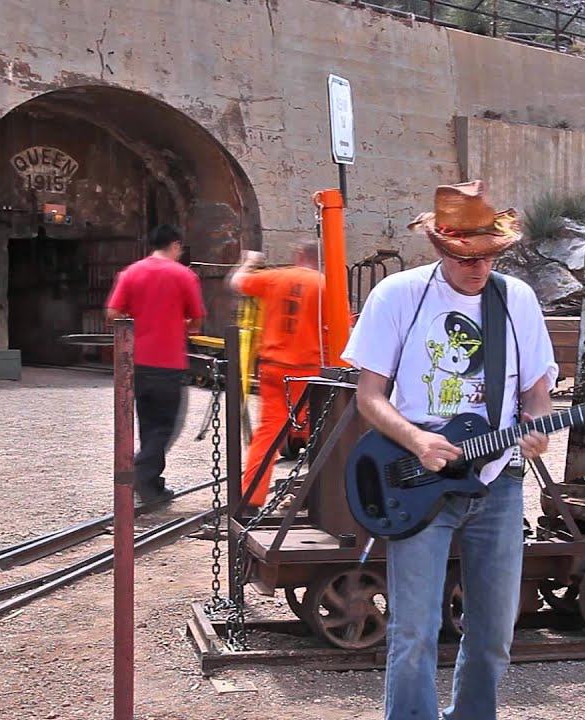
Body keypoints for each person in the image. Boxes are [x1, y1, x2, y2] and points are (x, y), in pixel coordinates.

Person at [341, 181, 557, 719]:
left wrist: (535, 424)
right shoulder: (398, 296)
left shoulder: (516, 300)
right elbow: (369, 396)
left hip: (498, 482)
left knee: (493, 630)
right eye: (466, 258)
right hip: (417, 476)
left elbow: (536, 389)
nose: (478, 269)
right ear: (440, 249)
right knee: (413, 630)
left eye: (488, 257)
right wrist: (415, 439)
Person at [106, 224, 206, 506]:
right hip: (168, 362)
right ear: (175, 245)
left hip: (135, 362)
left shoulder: (131, 273)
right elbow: (197, 318)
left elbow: (113, 313)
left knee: (148, 424)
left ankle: (150, 482)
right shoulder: (183, 275)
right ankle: (143, 475)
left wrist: (139, 321)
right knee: (165, 427)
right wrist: (183, 325)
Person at [227, 242, 325, 511]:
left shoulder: (276, 277)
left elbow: (237, 282)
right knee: (320, 431)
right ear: (320, 260)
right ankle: (319, 497)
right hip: (309, 371)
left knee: (268, 432)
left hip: (272, 368)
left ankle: (251, 499)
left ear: (298, 256)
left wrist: (249, 261)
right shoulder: (325, 286)